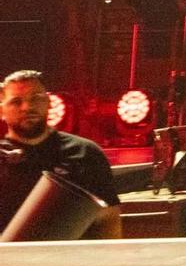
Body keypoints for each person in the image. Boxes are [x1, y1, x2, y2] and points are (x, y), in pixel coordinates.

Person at [0, 70, 119, 238]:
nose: (27, 107)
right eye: (16, 101)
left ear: (49, 103)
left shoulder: (86, 153)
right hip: (8, 262)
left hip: (73, 261)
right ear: (1, 111)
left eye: (36, 98)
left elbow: (109, 220)